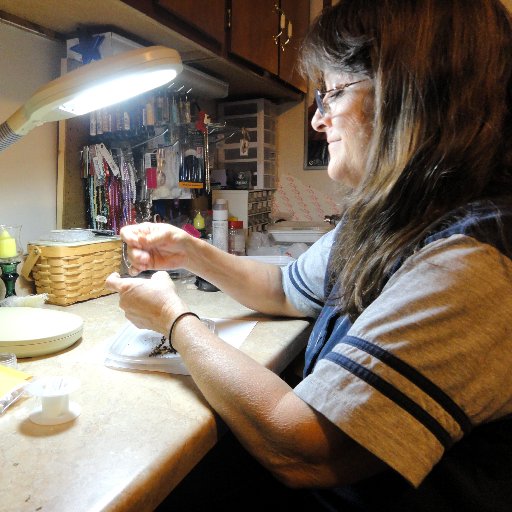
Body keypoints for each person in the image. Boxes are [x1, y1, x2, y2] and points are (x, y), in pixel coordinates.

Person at [105, 0, 512, 510]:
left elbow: (306, 449)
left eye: (332, 94)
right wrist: (191, 253)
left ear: (408, 93)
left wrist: (174, 320)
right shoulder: (393, 217)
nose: (317, 120)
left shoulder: (476, 260)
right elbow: (284, 288)